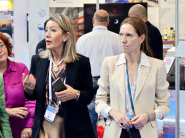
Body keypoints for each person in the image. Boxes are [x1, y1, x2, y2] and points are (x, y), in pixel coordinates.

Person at [95, 17, 170, 138]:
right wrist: (113, 113)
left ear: (141, 38)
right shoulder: (109, 63)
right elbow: (99, 101)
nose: (123, 40)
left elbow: (165, 106)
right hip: (116, 130)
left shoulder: (156, 66)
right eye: (121, 35)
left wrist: (148, 115)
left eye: (129, 35)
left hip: (144, 131)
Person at [23, 14, 95, 138]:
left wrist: (76, 94)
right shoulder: (38, 60)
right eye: (46, 30)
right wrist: (28, 90)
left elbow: (88, 94)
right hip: (45, 125)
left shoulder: (81, 62)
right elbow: (35, 95)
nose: (47, 34)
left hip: (73, 127)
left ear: (66, 36)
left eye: (53, 30)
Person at [76, 9, 122, 137]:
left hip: (89, 80)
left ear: (93, 21)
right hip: (111, 80)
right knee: (111, 114)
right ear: (108, 22)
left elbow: (78, 62)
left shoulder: (82, 40)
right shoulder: (118, 38)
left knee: (90, 115)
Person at [0, 30, 36, 138]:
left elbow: (31, 100)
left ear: (7, 46)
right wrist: (6, 111)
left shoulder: (21, 68)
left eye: (1, 45)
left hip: (21, 130)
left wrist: (29, 125)